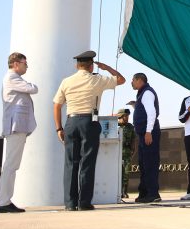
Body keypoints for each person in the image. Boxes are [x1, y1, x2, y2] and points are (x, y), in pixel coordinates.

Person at [53, 51, 125, 211]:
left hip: (71, 122)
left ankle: (70, 204)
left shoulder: (66, 81)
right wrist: (107, 68)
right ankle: (84, 202)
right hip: (88, 122)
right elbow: (121, 80)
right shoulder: (97, 79)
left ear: (76, 65)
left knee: (70, 164)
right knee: (87, 163)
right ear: (91, 65)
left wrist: (59, 127)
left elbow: (57, 105)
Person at [0, 52, 37, 213]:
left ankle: (1, 200)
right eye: (25, 63)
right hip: (16, 126)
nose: (27, 66)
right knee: (11, 165)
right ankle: (4, 202)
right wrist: (31, 86)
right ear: (15, 63)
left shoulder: (13, 78)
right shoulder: (13, 78)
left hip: (16, 126)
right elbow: (33, 88)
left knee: (10, 165)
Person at [132, 73, 162, 203]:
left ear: (140, 80)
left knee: (150, 164)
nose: (131, 82)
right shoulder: (142, 93)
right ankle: (144, 193)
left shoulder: (147, 93)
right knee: (143, 164)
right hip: (143, 134)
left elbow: (152, 113)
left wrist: (148, 132)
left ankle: (153, 194)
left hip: (149, 133)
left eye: (133, 80)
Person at [116, 108, 136, 199]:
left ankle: (124, 191)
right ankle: (116, 191)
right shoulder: (115, 125)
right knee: (117, 172)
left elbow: (133, 139)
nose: (127, 117)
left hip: (127, 152)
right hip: (116, 153)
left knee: (126, 172)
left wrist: (133, 149)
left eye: (128, 116)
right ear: (120, 116)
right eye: (125, 116)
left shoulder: (130, 126)